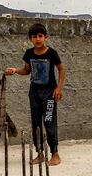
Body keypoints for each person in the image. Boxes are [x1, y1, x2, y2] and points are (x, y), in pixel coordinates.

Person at [5, 23, 65, 166]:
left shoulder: (52, 53)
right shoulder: (29, 54)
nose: (37, 39)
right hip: (34, 93)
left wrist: (59, 89)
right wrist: (15, 70)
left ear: (45, 37)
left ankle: (55, 154)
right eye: (34, 37)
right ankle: (40, 154)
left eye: (40, 36)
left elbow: (62, 70)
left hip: (49, 93)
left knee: (49, 122)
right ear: (30, 39)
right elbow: (27, 70)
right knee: (36, 123)